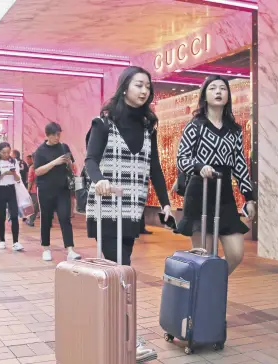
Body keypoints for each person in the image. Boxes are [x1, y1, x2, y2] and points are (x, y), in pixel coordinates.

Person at [85, 65, 170, 363]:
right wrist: (99, 181)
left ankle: (111, 329)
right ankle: (126, 337)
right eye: (138, 85)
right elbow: (90, 160)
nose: (144, 90)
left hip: (132, 209)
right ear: (124, 88)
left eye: (148, 86)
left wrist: (166, 202)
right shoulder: (103, 123)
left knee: (120, 269)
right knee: (121, 270)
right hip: (107, 208)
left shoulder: (149, 127)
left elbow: (155, 168)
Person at [176, 75, 257, 275]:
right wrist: (198, 166)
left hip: (225, 195)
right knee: (204, 256)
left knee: (236, 254)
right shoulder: (195, 125)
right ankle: (202, 295)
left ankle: (212, 284)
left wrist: (249, 198)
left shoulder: (234, 130)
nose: (219, 92)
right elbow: (182, 157)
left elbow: (240, 164)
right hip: (200, 192)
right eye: (213, 88)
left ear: (228, 95)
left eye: (223, 88)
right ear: (204, 95)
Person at [33, 122, 81, 262]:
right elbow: (37, 171)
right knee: (46, 219)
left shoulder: (64, 147)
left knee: (65, 218)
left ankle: (70, 249)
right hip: (45, 190)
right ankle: (46, 248)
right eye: (54, 135)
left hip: (63, 189)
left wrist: (68, 164)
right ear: (47, 135)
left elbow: (72, 165)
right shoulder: (40, 151)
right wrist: (55, 162)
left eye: (59, 134)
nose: (57, 137)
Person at [0, 142, 24, 252]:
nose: (6, 154)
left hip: (11, 189)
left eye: (8, 152)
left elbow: (18, 179)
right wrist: (4, 173)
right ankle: (2, 240)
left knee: (14, 216)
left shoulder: (14, 161)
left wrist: (13, 173)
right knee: (1, 216)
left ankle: (16, 242)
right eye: (3, 152)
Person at [25, 161, 39, 227]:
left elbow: (30, 179)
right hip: (45, 189)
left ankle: (31, 221)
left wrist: (28, 190)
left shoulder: (33, 167)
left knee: (34, 206)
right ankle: (49, 222)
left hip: (35, 189)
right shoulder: (46, 164)